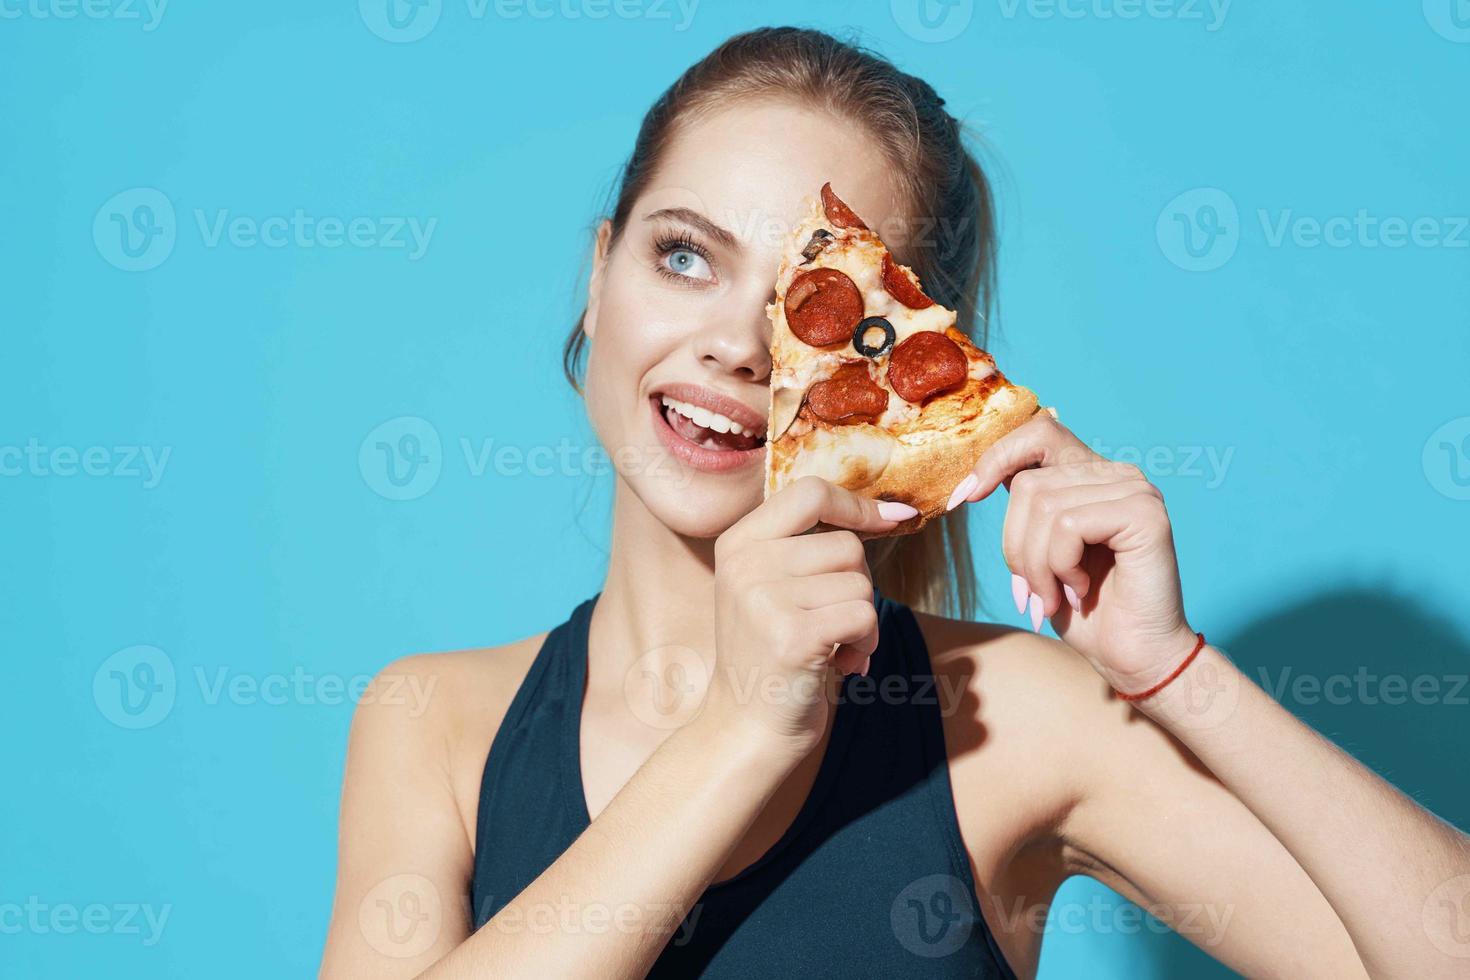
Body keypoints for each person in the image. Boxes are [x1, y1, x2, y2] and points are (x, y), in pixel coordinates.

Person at [320, 27, 1470, 979]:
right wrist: (742, 727)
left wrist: (1173, 671)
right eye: (684, 256)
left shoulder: (1012, 718)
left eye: (816, 306)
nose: (734, 344)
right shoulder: (435, 723)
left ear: (910, 375)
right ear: (600, 270)